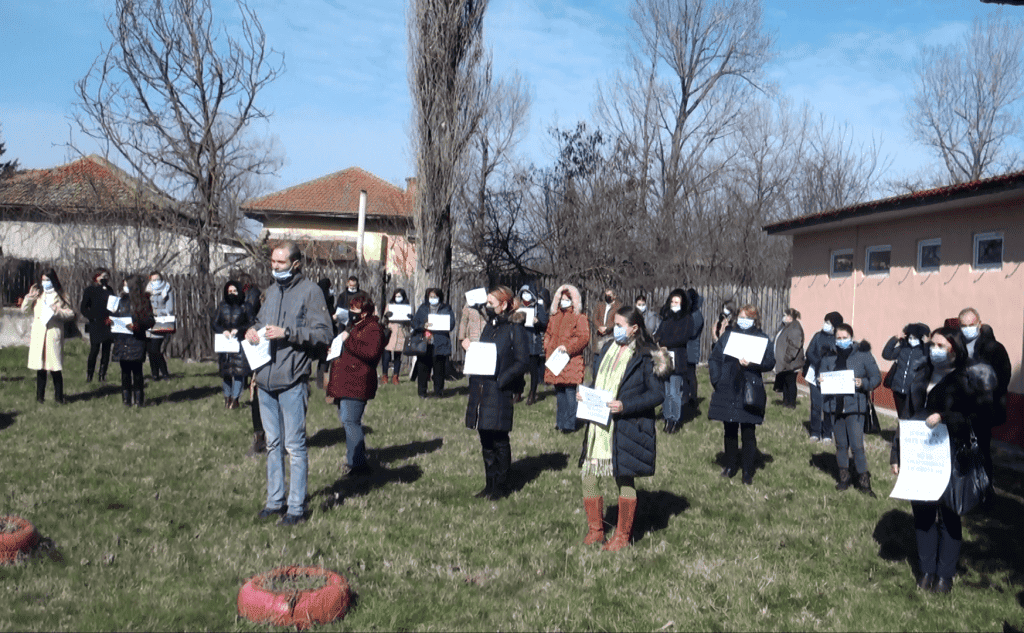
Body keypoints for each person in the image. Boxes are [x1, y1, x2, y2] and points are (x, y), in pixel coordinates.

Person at [890, 327, 994, 594]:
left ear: (954, 350)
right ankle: (926, 570)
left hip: (951, 457)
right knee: (923, 515)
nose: (934, 350)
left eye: (940, 346)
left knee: (949, 515)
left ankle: (945, 575)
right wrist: (897, 453)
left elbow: (979, 419)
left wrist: (945, 417)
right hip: (919, 454)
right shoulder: (921, 373)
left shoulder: (967, 379)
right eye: (932, 345)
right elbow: (906, 416)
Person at [246, 242, 333, 526]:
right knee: (273, 444)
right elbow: (260, 322)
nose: (275, 267)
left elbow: (324, 334)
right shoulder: (271, 292)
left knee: (294, 446)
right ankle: (275, 501)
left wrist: (289, 333)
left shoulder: (311, 292)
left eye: (280, 263)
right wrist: (252, 331)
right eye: (272, 262)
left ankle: (296, 507)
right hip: (265, 380)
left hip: (293, 379)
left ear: (295, 264)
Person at [578, 305, 670, 550]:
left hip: (626, 427)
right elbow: (600, 381)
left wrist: (625, 406)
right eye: (614, 324)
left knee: (624, 479)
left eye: (619, 325)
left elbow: (657, 394)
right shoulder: (607, 348)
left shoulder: (646, 355)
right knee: (589, 477)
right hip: (599, 426)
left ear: (634, 328)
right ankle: (596, 531)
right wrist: (587, 393)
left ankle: (621, 537)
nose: (614, 329)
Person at [464, 286, 530, 500]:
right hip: (482, 387)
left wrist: (503, 379)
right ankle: (489, 483)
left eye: (491, 303)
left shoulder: (515, 329)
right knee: (485, 437)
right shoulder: (490, 326)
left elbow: (522, 361)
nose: (487, 307)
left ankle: (502, 485)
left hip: (499, 389)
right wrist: (470, 349)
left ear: (504, 304)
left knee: (499, 438)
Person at [708, 304, 775, 485]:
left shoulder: (762, 338)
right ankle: (730, 465)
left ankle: (747, 470)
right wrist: (717, 380)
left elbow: (770, 361)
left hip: (749, 390)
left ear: (755, 320)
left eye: (748, 318)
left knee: (748, 432)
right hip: (729, 387)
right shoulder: (728, 336)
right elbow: (714, 358)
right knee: (729, 430)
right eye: (742, 317)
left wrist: (752, 363)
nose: (744, 321)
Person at [326, 291, 386, 477]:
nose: (351, 312)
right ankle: (354, 459)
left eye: (355, 309)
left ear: (365, 312)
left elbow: (371, 353)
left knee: (351, 422)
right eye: (350, 308)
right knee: (347, 421)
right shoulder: (354, 326)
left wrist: (348, 340)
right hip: (345, 381)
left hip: (358, 382)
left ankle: (358, 465)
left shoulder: (373, 328)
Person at [819, 323, 881, 495]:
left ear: (851, 338)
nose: (841, 341)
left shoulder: (863, 355)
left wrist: (863, 383)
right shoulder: (828, 356)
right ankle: (844, 478)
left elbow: (876, 377)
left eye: (844, 337)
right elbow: (820, 375)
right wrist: (820, 380)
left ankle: (864, 482)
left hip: (855, 407)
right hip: (835, 407)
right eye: (838, 338)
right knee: (840, 445)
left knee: (857, 446)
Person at [959, 307, 1011, 482]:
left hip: (982, 408)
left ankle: (985, 487)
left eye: (971, 325)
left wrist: (989, 397)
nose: (968, 329)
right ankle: (964, 487)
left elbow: (1004, 376)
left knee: (982, 449)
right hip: (960, 408)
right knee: (962, 448)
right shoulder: (957, 347)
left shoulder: (994, 348)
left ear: (979, 324)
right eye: (964, 325)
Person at [22, 269, 75, 404]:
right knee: (40, 369)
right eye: (43, 280)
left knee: (55, 369)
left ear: (53, 280)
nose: (45, 283)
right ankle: (40, 398)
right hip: (39, 335)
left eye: (47, 280)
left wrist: (56, 312)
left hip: (52, 334)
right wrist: (29, 298)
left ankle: (59, 398)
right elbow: (24, 311)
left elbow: (70, 314)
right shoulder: (39, 295)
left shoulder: (61, 295)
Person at [544, 284, 590, 433]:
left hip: (571, 361)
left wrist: (569, 347)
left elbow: (583, 337)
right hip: (556, 360)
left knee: (570, 394)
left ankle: (570, 425)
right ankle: (560, 423)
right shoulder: (554, 317)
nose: (563, 302)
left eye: (567, 299)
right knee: (560, 394)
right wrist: (547, 346)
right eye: (561, 299)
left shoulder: (579, 317)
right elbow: (548, 334)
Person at [111, 275, 156, 407]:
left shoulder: (143, 302)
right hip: (122, 340)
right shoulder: (120, 301)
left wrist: (138, 326)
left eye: (126, 285)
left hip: (137, 340)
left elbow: (150, 320)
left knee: (137, 372)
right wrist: (111, 322)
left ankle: (139, 400)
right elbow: (113, 316)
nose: (124, 287)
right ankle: (126, 400)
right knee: (125, 373)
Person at [653, 289, 692, 434]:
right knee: (666, 391)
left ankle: (674, 419)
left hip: (678, 359)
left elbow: (683, 337)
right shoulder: (667, 318)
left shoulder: (687, 319)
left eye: (677, 302)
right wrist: (657, 340)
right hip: (665, 358)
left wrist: (665, 343)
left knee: (675, 391)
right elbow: (658, 333)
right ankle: (667, 417)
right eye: (672, 301)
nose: (674, 304)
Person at [212, 280, 254, 410]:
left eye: (234, 291)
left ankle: (235, 399)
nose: (232, 294)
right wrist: (222, 331)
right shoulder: (222, 306)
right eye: (229, 291)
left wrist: (239, 330)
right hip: (225, 345)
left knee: (239, 373)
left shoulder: (246, 306)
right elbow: (214, 323)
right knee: (226, 373)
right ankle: (227, 398)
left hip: (239, 343)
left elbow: (251, 322)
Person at [804, 311, 843, 444]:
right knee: (816, 405)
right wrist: (819, 362)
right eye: (825, 321)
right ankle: (815, 432)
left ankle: (827, 434)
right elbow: (809, 352)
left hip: (830, 377)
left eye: (829, 322)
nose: (825, 324)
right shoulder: (817, 336)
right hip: (815, 376)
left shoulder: (838, 339)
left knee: (829, 406)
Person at [411, 288, 456, 399]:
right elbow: (414, 323)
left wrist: (442, 325)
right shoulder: (423, 308)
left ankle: (438, 392)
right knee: (422, 368)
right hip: (425, 343)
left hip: (440, 342)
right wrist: (423, 326)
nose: (433, 299)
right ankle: (422, 392)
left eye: (435, 297)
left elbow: (451, 324)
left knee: (439, 369)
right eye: (431, 297)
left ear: (440, 297)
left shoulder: (446, 308)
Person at [881, 323, 931, 419]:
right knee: (901, 416)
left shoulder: (924, 351)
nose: (912, 340)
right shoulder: (903, 348)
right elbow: (886, 355)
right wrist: (895, 338)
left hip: (913, 391)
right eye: (910, 337)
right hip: (898, 389)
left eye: (915, 338)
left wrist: (928, 343)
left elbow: (932, 360)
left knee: (909, 416)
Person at [515, 283, 549, 405]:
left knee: (533, 370)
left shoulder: (537, 307)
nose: (526, 296)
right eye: (524, 293)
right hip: (520, 342)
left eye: (528, 294)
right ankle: (517, 392)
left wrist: (537, 322)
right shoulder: (518, 307)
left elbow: (544, 323)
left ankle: (532, 394)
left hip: (533, 342)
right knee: (518, 369)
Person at [80, 267, 115, 383]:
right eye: (102, 276)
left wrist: (112, 316)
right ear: (96, 277)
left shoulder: (110, 290)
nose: (105, 278)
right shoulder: (90, 290)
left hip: (107, 324)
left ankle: (102, 375)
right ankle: (89, 375)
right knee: (94, 349)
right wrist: (92, 317)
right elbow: (83, 308)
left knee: (106, 350)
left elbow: (114, 306)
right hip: (96, 324)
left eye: (107, 276)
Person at [773, 308, 805, 409]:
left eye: (785, 315)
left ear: (790, 317)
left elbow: (795, 345)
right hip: (785, 362)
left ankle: (791, 404)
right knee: (785, 383)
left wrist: (787, 358)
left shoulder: (795, 328)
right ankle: (785, 402)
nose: (784, 317)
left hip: (791, 362)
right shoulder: (786, 326)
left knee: (790, 383)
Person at [145, 270, 173, 381]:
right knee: (150, 351)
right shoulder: (147, 290)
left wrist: (157, 312)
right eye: (153, 280)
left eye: (158, 279)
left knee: (156, 349)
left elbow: (170, 308)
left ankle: (165, 373)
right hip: (149, 323)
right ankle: (155, 374)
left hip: (161, 322)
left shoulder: (167, 289)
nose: (155, 282)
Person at [381, 288, 410, 384]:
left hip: (401, 332)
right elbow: (383, 322)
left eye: (400, 296)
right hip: (390, 331)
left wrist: (409, 318)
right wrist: (386, 316)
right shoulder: (390, 306)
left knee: (398, 355)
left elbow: (409, 324)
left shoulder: (406, 307)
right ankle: (384, 375)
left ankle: (395, 376)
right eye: (396, 296)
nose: (398, 298)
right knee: (386, 354)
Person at [591, 288, 622, 376]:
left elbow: (617, 320)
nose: (607, 296)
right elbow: (594, 318)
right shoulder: (600, 305)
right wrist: (599, 327)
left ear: (614, 296)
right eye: (606, 294)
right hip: (599, 337)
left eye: (609, 295)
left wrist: (608, 328)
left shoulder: (619, 306)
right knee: (596, 363)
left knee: (608, 363)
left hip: (611, 336)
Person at [684, 288, 705, 414]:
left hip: (691, 349)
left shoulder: (697, 315)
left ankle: (693, 398)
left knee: (691, 375)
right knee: (686, 375)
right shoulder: (689, 313)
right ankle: (687, 397)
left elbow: (692, 333)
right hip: (686, 348)